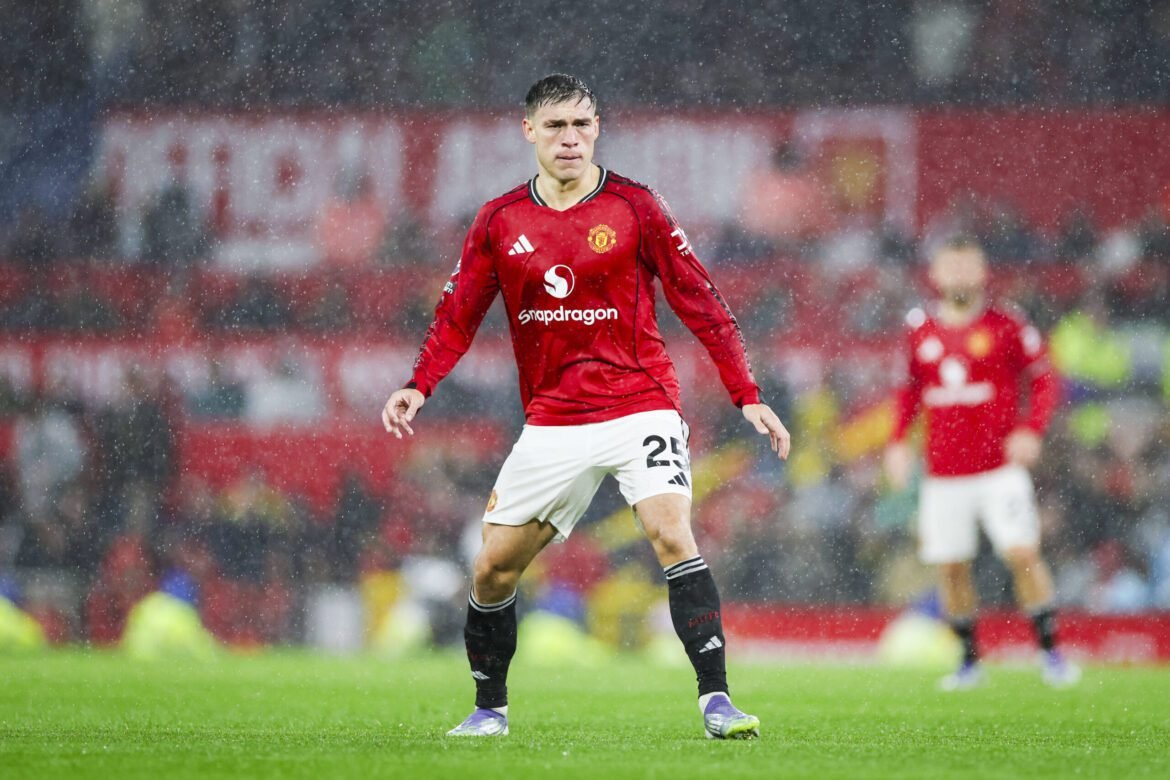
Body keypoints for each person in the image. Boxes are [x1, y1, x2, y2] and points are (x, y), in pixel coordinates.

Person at [381, 74, 790, 739]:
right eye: (555, 126)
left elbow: (700, 300)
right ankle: (489, 709)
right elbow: (458, 314)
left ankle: (717, 701)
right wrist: (418, 384)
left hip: (640, 403)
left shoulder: (636, 206)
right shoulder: (500, 220)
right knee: (493, 569)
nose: (569, 138)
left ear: (596, 128)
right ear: (529, 132)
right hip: (554, 419)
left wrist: (747, 393)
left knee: (671, 532)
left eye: (581, 124)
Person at [883, 235, 1080, 690]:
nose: (958, 276)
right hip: (943, 473)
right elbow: (908, 392)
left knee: (1022, 553)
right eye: (950, 267)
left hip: (998, 470)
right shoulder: (920, 330)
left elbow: (1045, 378)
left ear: (982, 272)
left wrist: (1031, 429)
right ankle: (969, 662)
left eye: (966, 267)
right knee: (951, 567)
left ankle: (1051, 654)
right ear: (935, 275)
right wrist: (897, 442)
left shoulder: (1007, 324)